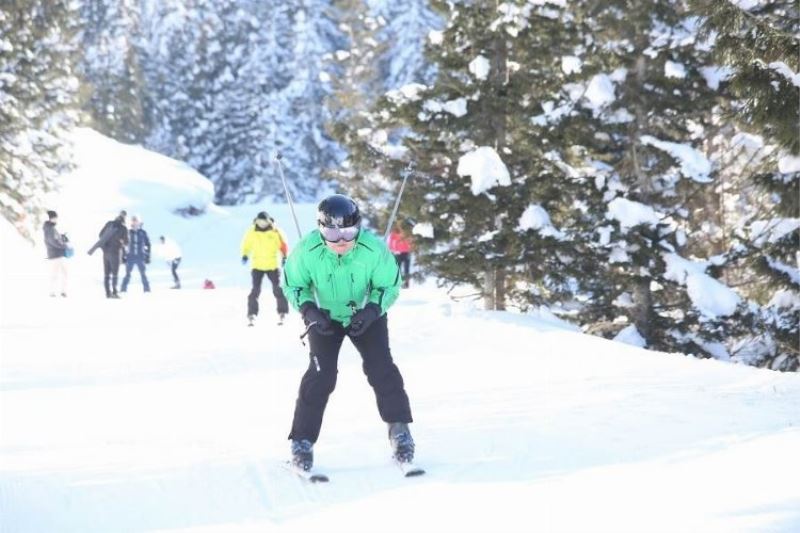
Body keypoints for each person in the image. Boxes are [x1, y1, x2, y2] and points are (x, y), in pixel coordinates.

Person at [282, 194, 414, 472]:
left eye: (349, 231)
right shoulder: (307, 251)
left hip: (365, 314)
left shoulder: (373, 250)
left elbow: (389, 286)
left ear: (359, 227)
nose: (341, 239)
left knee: (381, 368)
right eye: (331, 232)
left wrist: (373, 310)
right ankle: (302, 441)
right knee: (321, 375)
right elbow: (293, 284)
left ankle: (400, 430)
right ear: (320, 229)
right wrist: (308, 310)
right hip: (324, 317)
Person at [241, 211, 289, 325]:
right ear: (256, 221)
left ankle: (282, 312)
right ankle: (252, 314)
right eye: (260, 222)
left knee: (277, 289)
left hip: (272, 265)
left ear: (268, 221)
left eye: (264, 222)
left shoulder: (275, 231)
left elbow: (283, 245)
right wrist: (245, 254)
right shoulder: (252, 231)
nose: (262, 224)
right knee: (255, 290)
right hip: (257, 265)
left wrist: (284, 257)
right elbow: (246, 244)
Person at [88, 210, 128, 298]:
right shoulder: (123, 228)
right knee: (115, 274)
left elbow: (100, 235)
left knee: (106, 274)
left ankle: (107, 293)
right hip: (115, 253)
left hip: (105, 253)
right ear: (124, 218)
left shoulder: (109, 223)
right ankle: (114, 292)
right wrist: (120, 241)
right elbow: (126, 242)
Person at [120, 215, 151, 293]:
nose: (134, 222)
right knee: (127, 274)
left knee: (143, 274)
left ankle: (147, 289)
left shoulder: (143, 233)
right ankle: (123, 289)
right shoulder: (128, 232)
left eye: (136, 220)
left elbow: (148, 244)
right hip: (130, 256)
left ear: (138, 222)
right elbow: (123, 245)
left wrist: (147, 256)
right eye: (133, 221)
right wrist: (123, 256)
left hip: (140, 256)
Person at [42, 210, 69, 297]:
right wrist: (64, 246)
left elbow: (55, 239)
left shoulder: (50, 228)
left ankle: (61, 291)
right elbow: (52, 241)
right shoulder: (49, 228)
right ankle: (53, 291)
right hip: (55, 254)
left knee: (61, 272)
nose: (56, 219)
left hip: (56, 254)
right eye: (55, 218)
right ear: (51, 218)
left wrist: (63, 238)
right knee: (57, 273)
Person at [388, 223, 413, 288]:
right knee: (397, 269)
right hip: (398, 253)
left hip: (407, 252)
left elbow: (411, 242)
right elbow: (390, 242)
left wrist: (411, 249)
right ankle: (397, 283)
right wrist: (393, 250)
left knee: (406, 269)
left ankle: (406, 284)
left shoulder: (407, 232)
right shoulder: (394, 233)